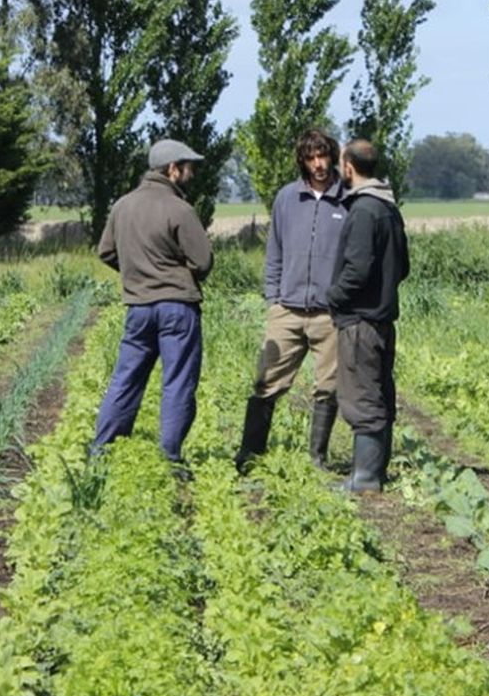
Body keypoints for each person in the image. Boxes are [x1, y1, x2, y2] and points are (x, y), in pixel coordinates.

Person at [90, 139, 213, 466]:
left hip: (139, 308)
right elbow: (202, 261)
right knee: (177, 382)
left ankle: (101, 454)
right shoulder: (180, 209)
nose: (192, 173)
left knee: (125, 379)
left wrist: (136, 271)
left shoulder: (122, 206)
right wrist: (176, 273)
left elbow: (105, 252)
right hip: (177, 308)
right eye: (188, 167)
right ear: (173, 169)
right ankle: (169, 458)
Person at [236, 128, 347, 471]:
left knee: (328, 386)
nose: (318, 164)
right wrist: (274, 299)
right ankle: (250, 454)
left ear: (332, 156)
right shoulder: (287, 198)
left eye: (323, 156)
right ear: (302, 161)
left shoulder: (348, 198)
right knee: (266, 382)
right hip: (287, 308)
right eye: (311, 158)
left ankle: (317, 458)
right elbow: (275, 252)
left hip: (330, 313)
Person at [327, 138, 410, 492]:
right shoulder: (389, 207)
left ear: (348, 166)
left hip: (360, 320)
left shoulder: (363, 210)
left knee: (361, 396)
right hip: (382, 320)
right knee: (379, 392)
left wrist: (334, 296)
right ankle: (373, 472)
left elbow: (356, 270)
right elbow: (403, 267)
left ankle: (364, 477)